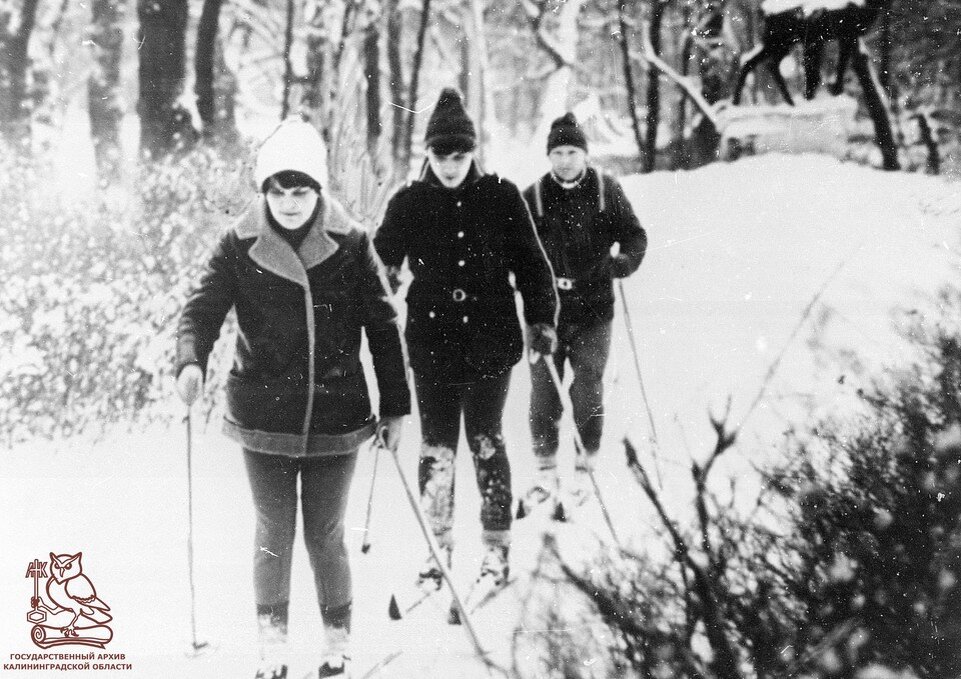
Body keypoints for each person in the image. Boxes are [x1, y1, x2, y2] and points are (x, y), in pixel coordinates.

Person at [175, 118, 410, 679]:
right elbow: (201, 310)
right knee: (273, 533)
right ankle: (273, 649)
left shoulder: (352, 243)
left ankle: (337, 644)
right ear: (264, 190)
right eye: (277, 190)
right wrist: (189, 360)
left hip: (336, 413)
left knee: (325, 534)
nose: (288, 202)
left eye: (300, 190)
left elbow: (382, 326)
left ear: (318, 190)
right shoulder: (238, 244)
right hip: (263, 414)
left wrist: (396, 407)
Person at [374, 88, 558, 589]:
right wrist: (384, 276)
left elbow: (533, 266)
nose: (450, 166)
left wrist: (541, 320)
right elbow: (380, 260)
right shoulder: (409, 202)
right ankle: (437, 550)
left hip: (490, 339)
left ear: (473, 153)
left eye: (459, 156)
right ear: (428, 154)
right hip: (431, 341)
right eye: (441, 156)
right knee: (437, 445)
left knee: (485, 437)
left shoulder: (501, 196)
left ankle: (496, 549)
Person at [520, 112, 647, 509]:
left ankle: (584, 468)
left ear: (585, 154)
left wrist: (624, 262)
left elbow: (635, 236)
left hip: (594, 308)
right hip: (547, 312)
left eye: (572, 152)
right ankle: (544, 470)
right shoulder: (533, 197)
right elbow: (515, 249)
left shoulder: (606, 191)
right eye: (557, 153)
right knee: (544, 390)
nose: (564, 160)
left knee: (588, 388)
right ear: (548, 156)